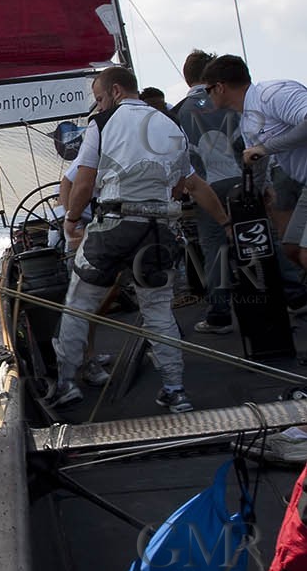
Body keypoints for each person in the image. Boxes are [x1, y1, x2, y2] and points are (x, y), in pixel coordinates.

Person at [48, 65, 233, 413]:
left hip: (114, 227)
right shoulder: (170, 125)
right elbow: (191, 185)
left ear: (116, 91)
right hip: (159, 231)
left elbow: (84, 182)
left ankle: (66, 385)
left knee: (78, 304)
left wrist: (71, 221)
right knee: (159, 309)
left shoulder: (101, 124)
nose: (98, 106)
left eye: (99, 98)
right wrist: (224, 221)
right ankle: (175, 390)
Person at [202, 55, 307, 277]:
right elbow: (257, 164)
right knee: (292, 248)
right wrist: (253, 195)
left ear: (219, 87)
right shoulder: (248, 120)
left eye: (207, 90)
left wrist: (266, 148)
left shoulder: (273, 94)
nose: (207, 97)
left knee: (305, 253)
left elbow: (262, 151)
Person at [174, 48, 242, 334]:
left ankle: (219, 315)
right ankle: (292, 295)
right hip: (242, 182)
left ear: (187, 77)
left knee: (215, 251)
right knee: (259, 240)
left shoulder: (179, 112)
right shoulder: (227, 101)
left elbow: (180, 159)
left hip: (207, 189)